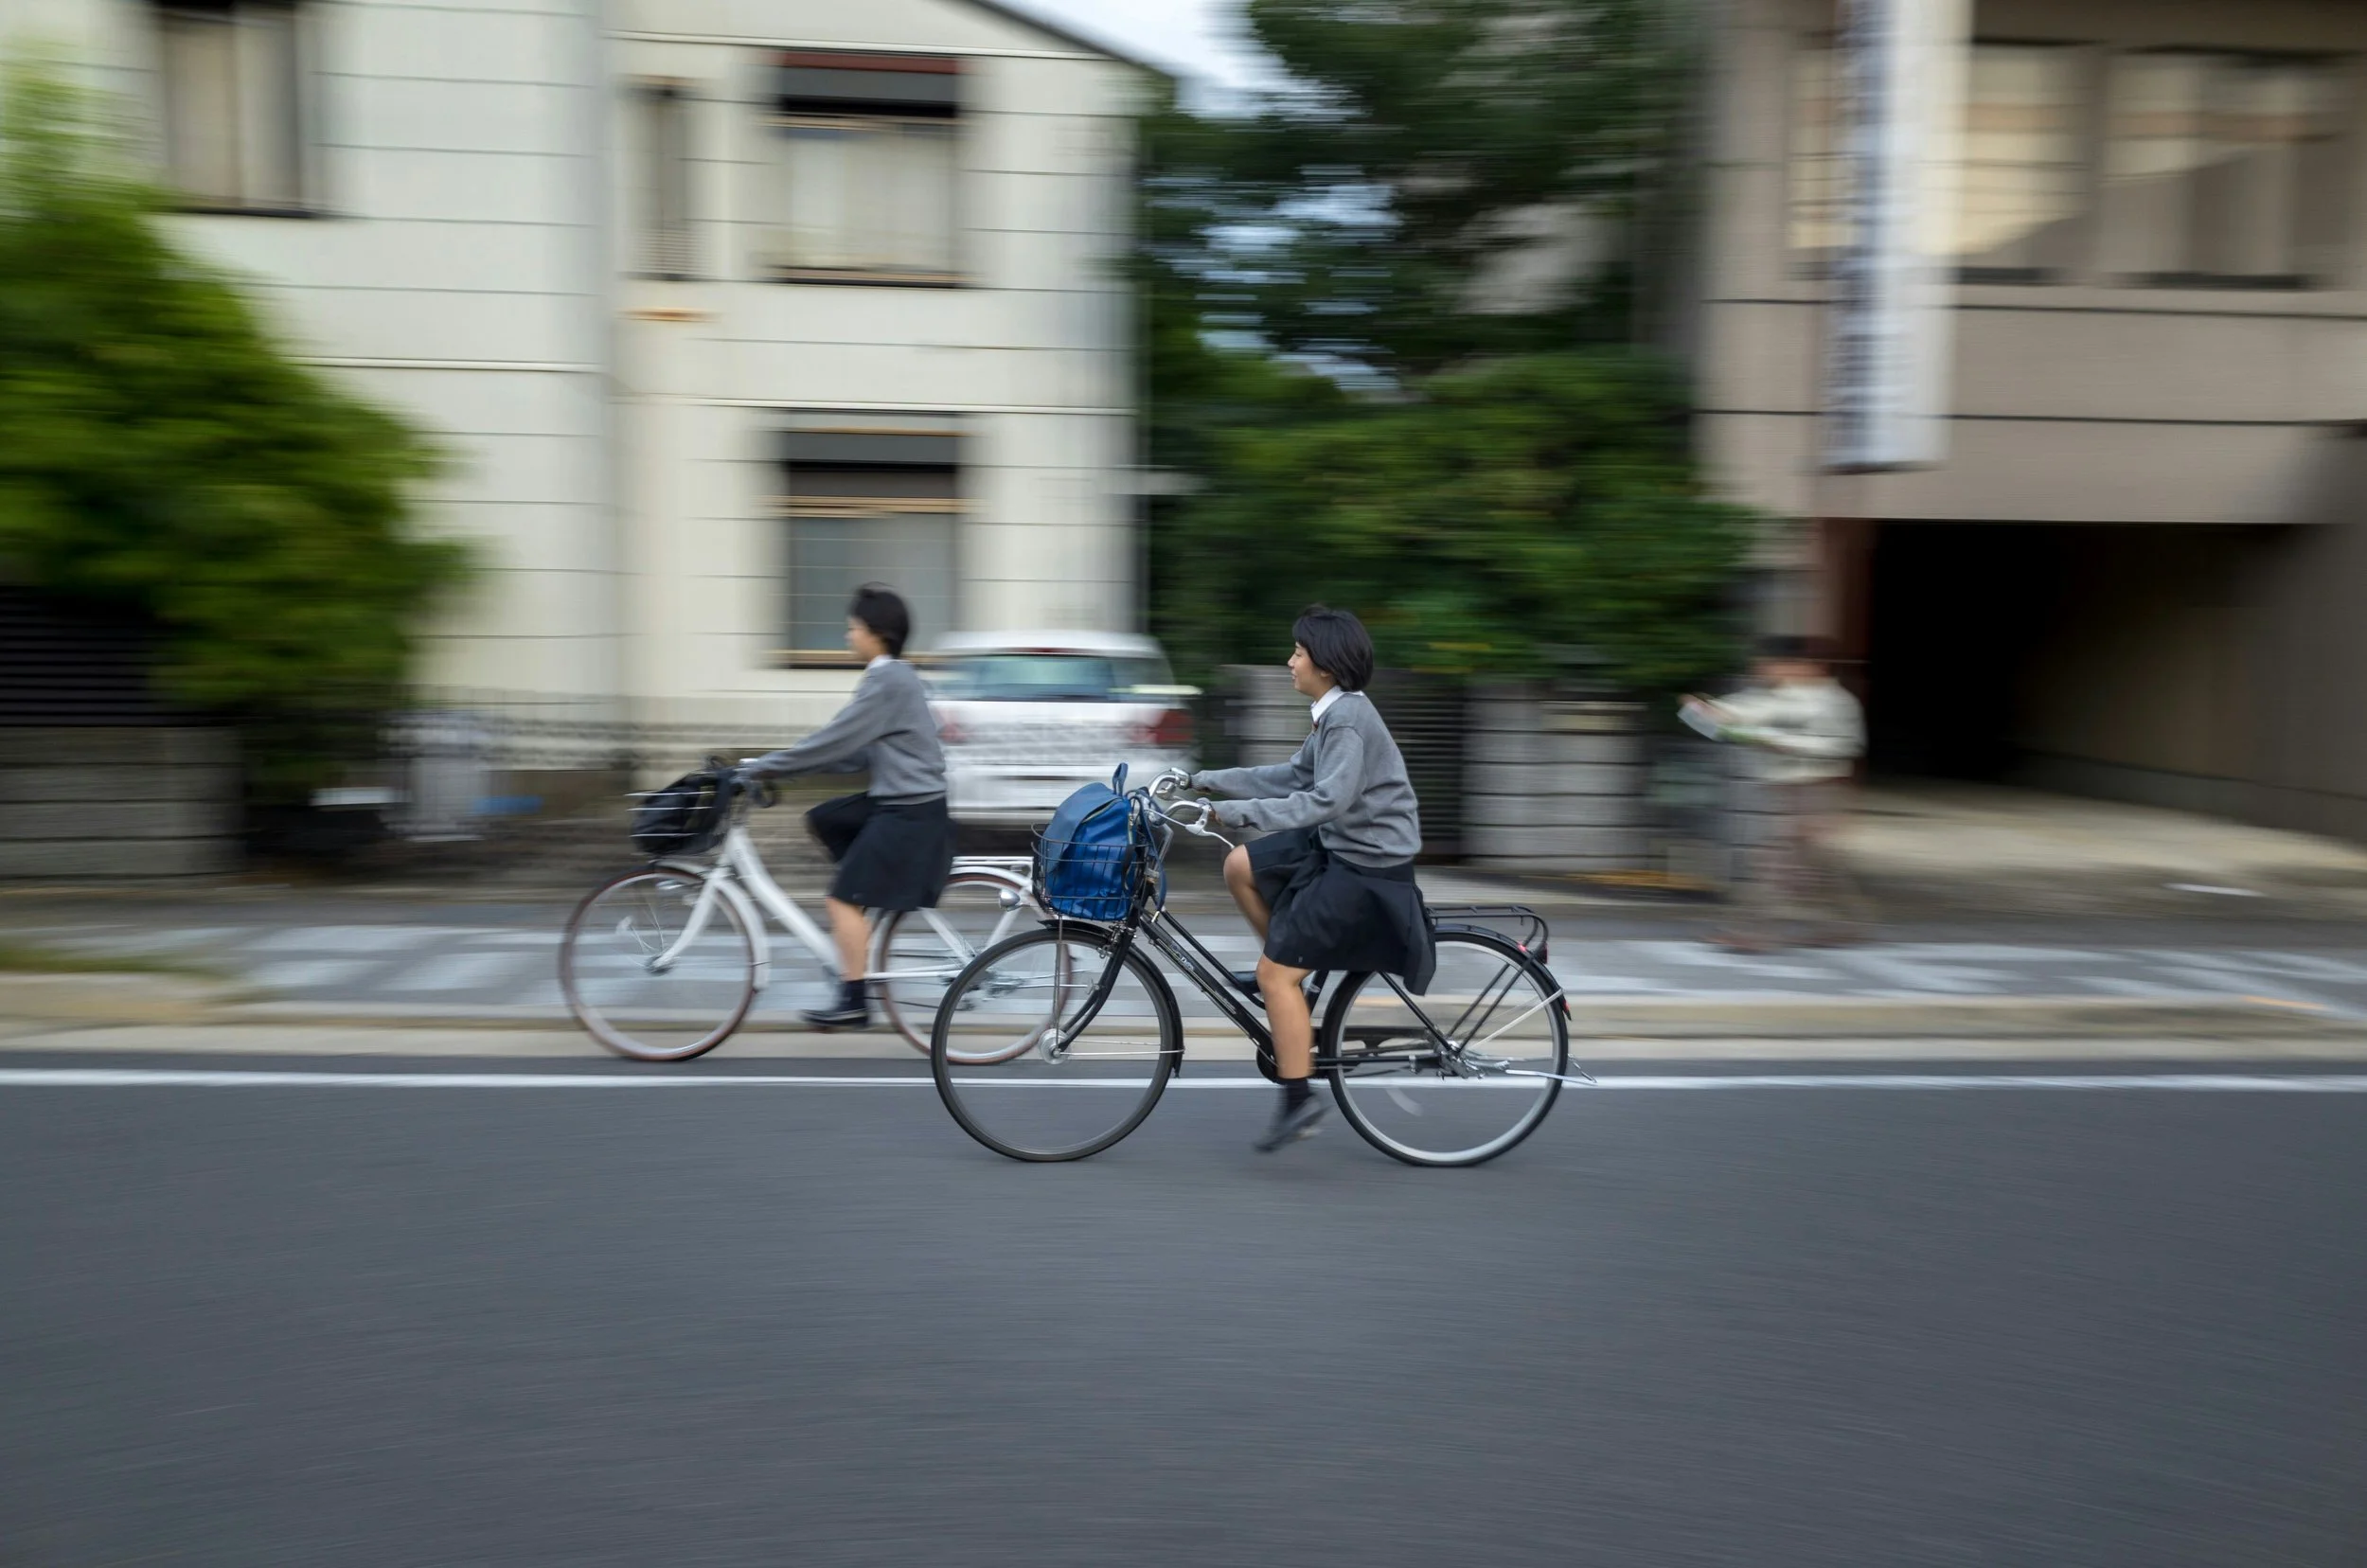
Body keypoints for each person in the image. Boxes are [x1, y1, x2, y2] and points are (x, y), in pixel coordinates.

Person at [1191, 606, 1433, 1152]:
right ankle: (1286, 972)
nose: (1290, 661)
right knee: (1239, 866)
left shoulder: (1348, 718)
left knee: (1275, 977)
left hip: (1366, 864)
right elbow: (1293, 776)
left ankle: (1298, 1099)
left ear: (1325, 663)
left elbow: (1327, 800)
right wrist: (1206, 781)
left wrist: (1237, 814)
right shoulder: (1336, 712)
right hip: (1341, 845)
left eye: (1298, 653)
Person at [741, 584, 955, 1030]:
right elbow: (856, 753)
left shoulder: (887, 679)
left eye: (853, 627)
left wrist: (765, 768)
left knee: (841, 897)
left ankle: (855, 999)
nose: (847, 636)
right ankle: (861, 929)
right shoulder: (894, 675)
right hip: (903, 802)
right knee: (825, 818)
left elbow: (834, 739)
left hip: (908, 812)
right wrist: (784, 770)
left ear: (875, 633)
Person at [1681, 635, 1868, 953]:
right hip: (1785, 790)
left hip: (1819, 789)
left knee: (1775, 863)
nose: (1766, 669)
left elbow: (1845, 745)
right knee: (1815, 864)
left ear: (1809, 667)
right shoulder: (1775, 696)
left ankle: (1750, 932)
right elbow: (1742, 712)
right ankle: (1845, 924)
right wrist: (1706, 711)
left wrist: (1781, 741)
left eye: (1776, 663)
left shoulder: (1835, 701)